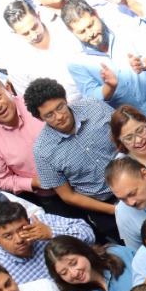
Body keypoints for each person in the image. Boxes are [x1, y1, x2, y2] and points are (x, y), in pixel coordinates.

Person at [23, 80, 119, 239]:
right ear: (41, 118)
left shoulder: (94, 107)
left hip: (136, 180)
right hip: (104, 207)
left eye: (60, 107)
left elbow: (125, 133)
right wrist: (114, 210)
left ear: (66, 100)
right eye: (49, 115)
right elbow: (68, 196)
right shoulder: (42, 150)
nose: (59, 116)